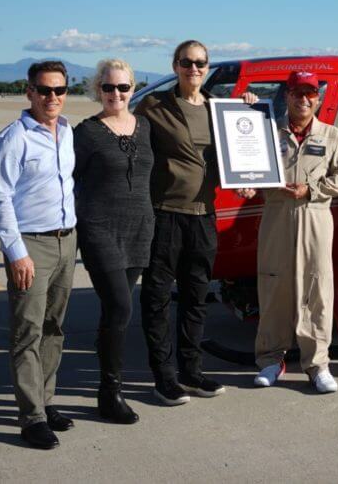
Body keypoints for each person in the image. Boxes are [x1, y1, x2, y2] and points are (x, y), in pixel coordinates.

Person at [136, 40, 256, 403]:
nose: (194, 68)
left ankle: (191, 370)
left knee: (196, 297)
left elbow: (234, 154)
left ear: (207, 67)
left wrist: (249, 112)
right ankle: (163, 376)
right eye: (187, 62)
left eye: (201, 63)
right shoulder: (154, 106)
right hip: (165, 215)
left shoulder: (222, 110)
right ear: (175, 65)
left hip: (204, 216)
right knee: (156, 298)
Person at [238, 71, 338, 393]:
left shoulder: (330, 135)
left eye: (310, 93)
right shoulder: (266, 131)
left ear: (317, 97)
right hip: (276, 216)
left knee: (317, 290)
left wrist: (313, 189)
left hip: (315, 216)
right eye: (297, 93)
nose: (304, 100)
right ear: (286, 96)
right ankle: (270, 360)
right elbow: (247, 165)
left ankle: (317, 364)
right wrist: (247, 185)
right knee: (274, 286)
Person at [0, 60, 77, 449]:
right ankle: (31, 417)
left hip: (66, 240)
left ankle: (45, 399)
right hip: (31, 245)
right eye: (44, 90)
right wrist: (16, 252)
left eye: (58, 90)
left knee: (55, 328)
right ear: (29, 92)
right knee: (28, 332)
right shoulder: (14, 138)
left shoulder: (68, 132)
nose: (51, 97)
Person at [73, 59, 154, 423]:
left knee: (115, 314)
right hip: (100, 229)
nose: (116, 94)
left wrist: (246, 108)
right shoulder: (87, 133)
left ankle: (110, 386)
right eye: (108, 88)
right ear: (98, 90)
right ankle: (110, 392)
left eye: (123, 87)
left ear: (133, 89)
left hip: (139, 229)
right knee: (120, 306)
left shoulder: (147, 127)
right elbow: (65, 179)